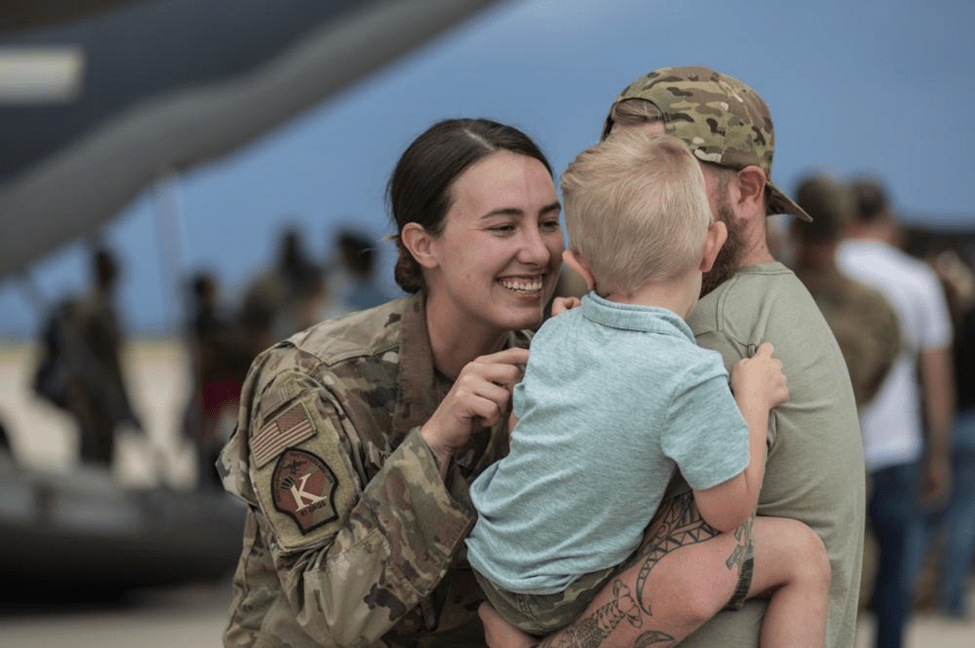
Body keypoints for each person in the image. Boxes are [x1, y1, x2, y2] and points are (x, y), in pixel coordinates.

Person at [480, 65, 866, 648]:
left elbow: (671, 577)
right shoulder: (745, 305)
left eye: (666, 168)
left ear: (745, 191)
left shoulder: (711, 332)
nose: (633, 194)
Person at [217, 117, 564, 647]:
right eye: (503, 227)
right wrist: (434, 444)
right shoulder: (312, 381)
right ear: (424, 245)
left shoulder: (553, 364)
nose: (538, 251)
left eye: (548, 222)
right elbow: (331, 611)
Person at [837, 177, 954, 648]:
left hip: (835, 447)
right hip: (896, 448)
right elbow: (936, 378)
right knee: (894, 577)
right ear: (886, 218)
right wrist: (938, 453)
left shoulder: (822, 273)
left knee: (830, 578)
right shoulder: (917, 280)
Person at [790, 173, 901, 408]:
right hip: (844, 434)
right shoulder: (873, 305)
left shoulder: (769, 294)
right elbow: (878, 377)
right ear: (845, 226)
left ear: (795, 226)